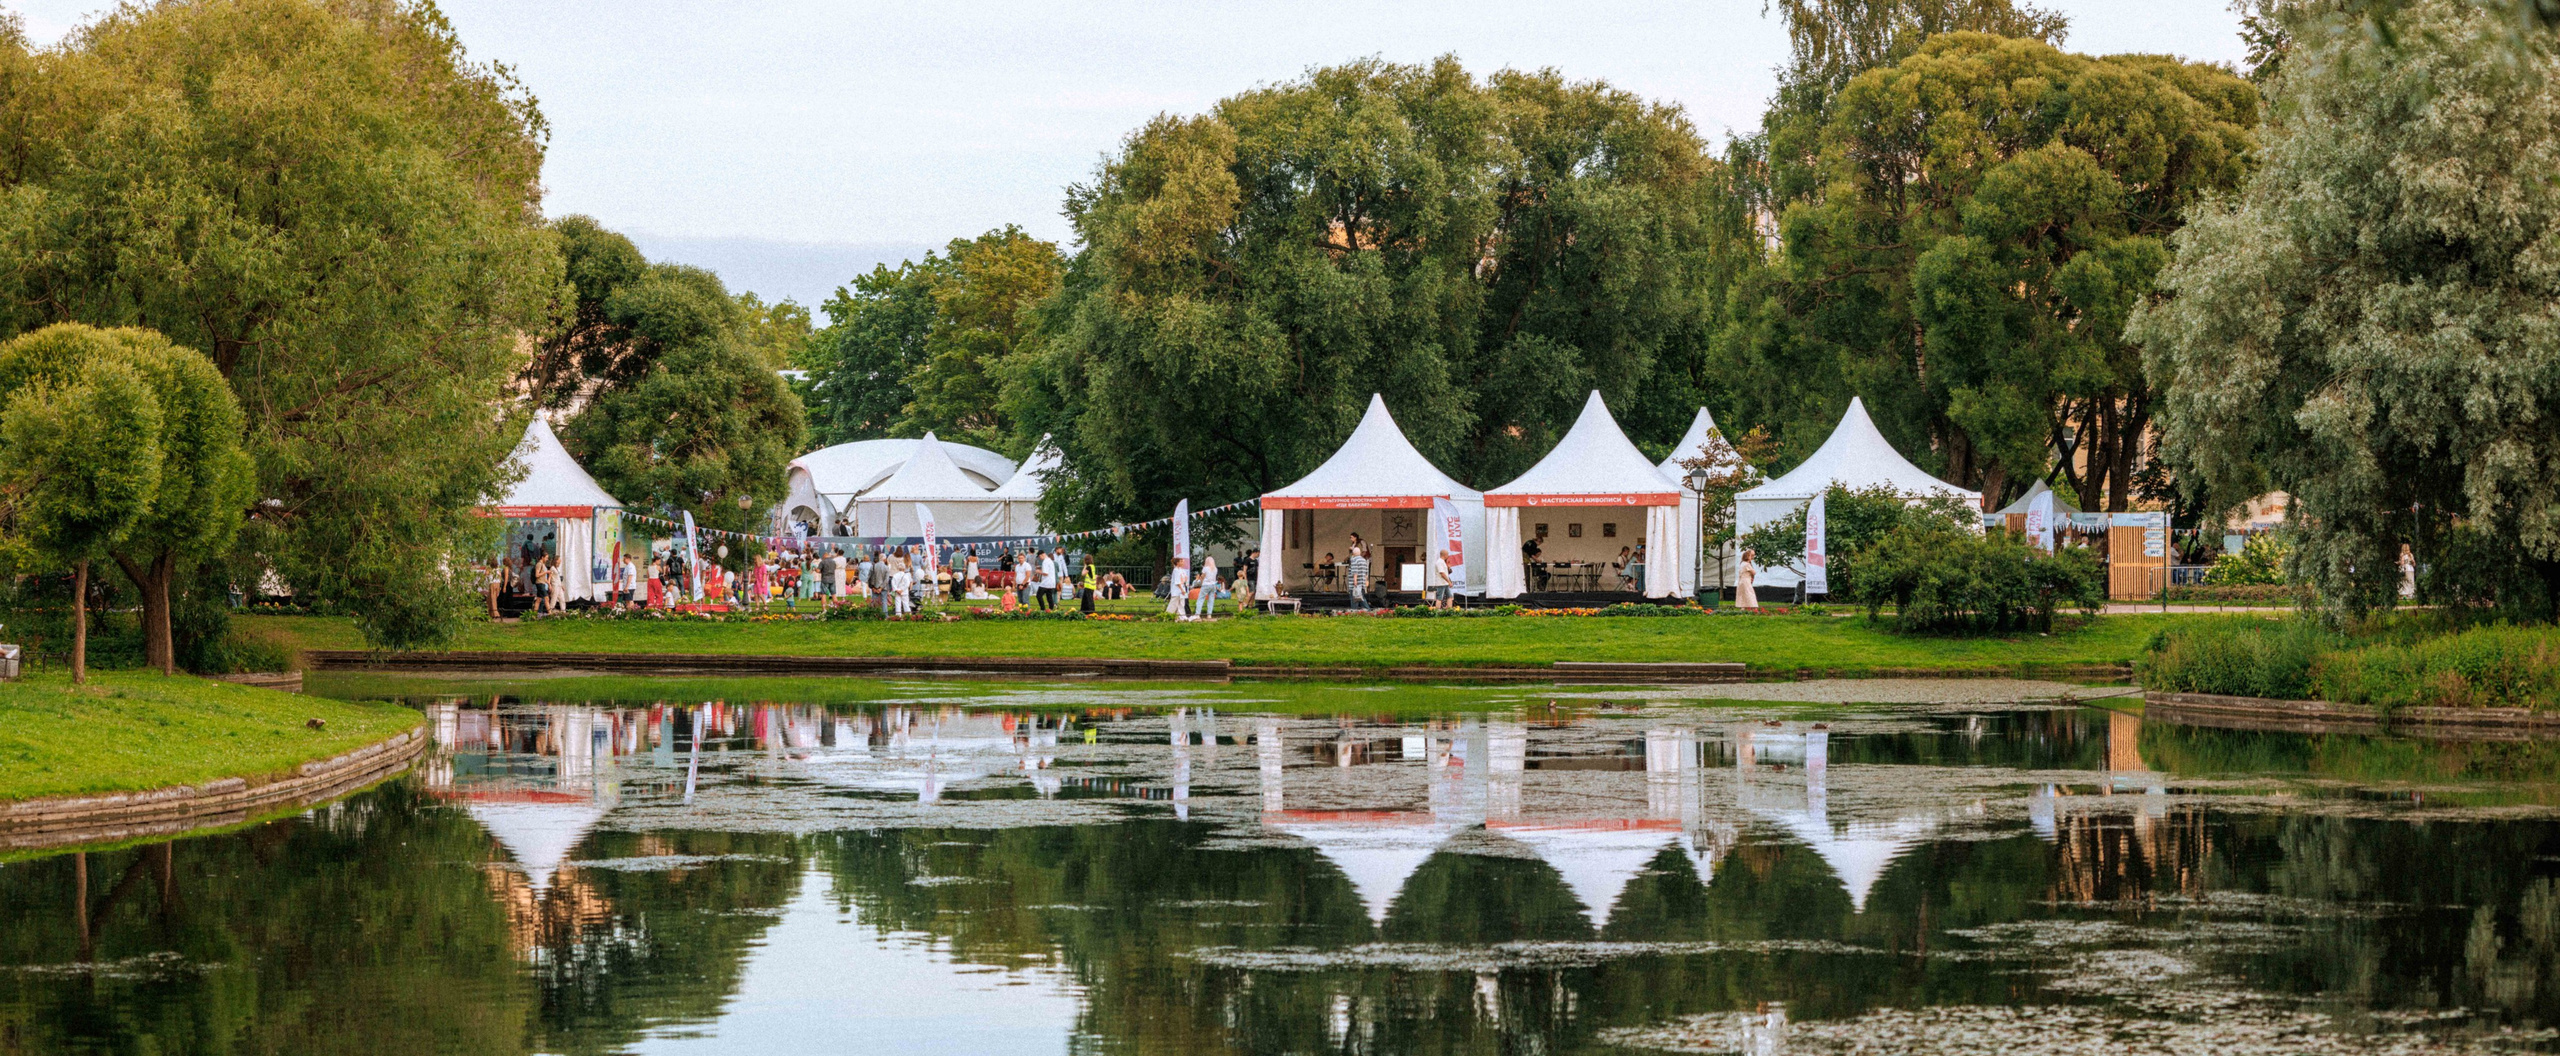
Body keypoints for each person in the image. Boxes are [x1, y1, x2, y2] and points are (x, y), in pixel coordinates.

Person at [1344, 544, 1370, 609]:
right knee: (1361, 598)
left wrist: (1355, 581)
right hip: (1362, 583)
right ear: (1360, 552)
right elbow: (1366, 572)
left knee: (1354, 599)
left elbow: (1355, 571)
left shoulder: (1354, 560)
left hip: (1355, 584)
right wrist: (1366, 581)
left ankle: (1355, 613)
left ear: (1353, 553)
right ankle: (1367, 611)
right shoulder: (1364, 560)